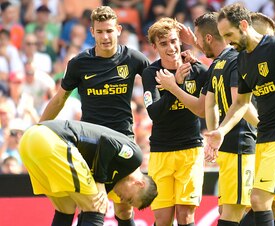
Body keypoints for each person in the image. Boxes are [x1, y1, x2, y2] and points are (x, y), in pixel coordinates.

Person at [205, 3, 275, 226]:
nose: (227, 41)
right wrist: (222, 131)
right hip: (263, 137)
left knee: (258, 199)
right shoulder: (243, 58)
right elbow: (241, 103)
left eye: (229, 34)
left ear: (244, 25)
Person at [39, 6, 150, 226]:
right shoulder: (79, 63)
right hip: (89, 142)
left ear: (118, 29)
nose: (105, 36)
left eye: (109, 30)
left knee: (124, 206)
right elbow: (60, 99)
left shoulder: (134, 59)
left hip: (123, 140)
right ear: (92, 32)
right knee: (87, 202)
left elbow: (157, 78)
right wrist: (40, 126)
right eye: (100, 32)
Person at [19, 120, 158, 226]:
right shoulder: (134, 158)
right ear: (139, 183)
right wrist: (100, 182)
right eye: (129, 199)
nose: (122, 200)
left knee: (65, 208)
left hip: (29, 140)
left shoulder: (114, 178)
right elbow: (107, 141)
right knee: (97, 206)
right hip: (51, 140)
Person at [142, 17, 207, 226]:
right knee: (162, 219)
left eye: (173, 41)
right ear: (154, 46)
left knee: (185, 217)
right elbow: (155, 113)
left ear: (179, 40)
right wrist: (175, 85)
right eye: (163, 43)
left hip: (190, 150)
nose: (170, 48)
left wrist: (198, 49)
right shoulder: (151, 73)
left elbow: (223, 68)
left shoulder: (196, 69)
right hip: (161, 151)